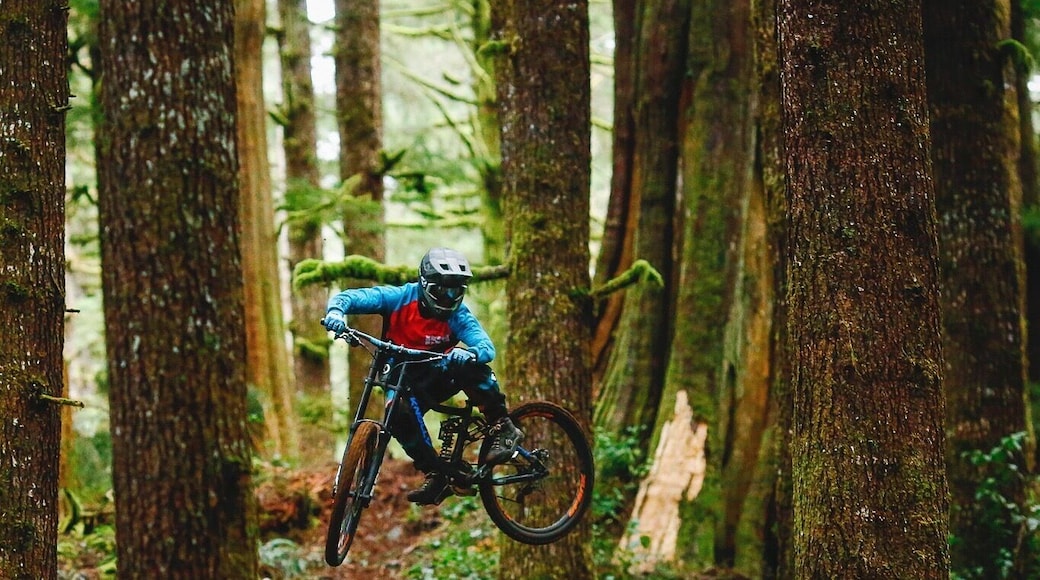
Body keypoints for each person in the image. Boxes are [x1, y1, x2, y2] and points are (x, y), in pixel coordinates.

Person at [322, 247, 523, 505]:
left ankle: (502, 426)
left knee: (468, 362)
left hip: (440, 376)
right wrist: (336, 312)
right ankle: (436, 474)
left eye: (456, 290)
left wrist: (470, 353)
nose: (450, 297)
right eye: (444, 290)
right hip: (402, 377)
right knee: (397, 414)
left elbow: (486, 347)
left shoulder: (458, 316)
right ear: (426, 284)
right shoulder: (399, 298)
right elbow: (352, 297)